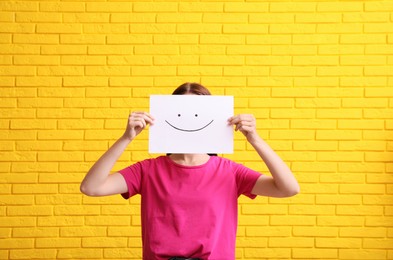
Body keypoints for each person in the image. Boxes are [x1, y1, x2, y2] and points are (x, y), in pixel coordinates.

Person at [80, 82, 300, 260]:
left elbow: (288, 188)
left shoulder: (230, 172)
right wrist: (126, 137)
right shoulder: (148, 170)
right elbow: (91, 187)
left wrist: (255, 139)